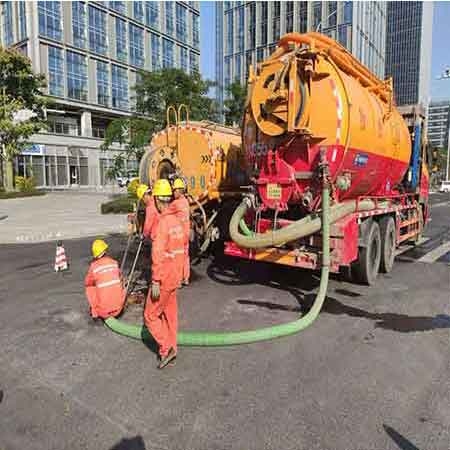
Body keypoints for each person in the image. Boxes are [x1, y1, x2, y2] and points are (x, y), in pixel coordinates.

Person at [144, 179, 184, 369]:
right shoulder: (177, 221)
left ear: (159, 201)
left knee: (151, 316)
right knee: (170, 315)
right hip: (175, 276)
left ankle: (166, 347)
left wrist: (155, 281)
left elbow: (158, 254)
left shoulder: (162, 224)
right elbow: (182, 249)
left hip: (165, 277)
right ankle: (173, 347)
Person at [85, 239, 125, 319]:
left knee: (89, 287)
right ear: (105, 251)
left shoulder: (94, 266)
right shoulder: (114, 263)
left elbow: (88, 282)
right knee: (121, 282)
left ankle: (95, 312)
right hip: (119, 309)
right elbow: (121, 278)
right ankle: (117, 304)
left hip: (103, 312)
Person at [171, 178, 190, 286]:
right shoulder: (186, 202)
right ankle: (186, 278)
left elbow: (165, 213)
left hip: (179, 236)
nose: (173, 192)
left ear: (179, 190)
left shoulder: (175, 204)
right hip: (186, 234)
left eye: (174, 190)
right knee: (185, 257)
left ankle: (178, 281)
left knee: (177, 257)